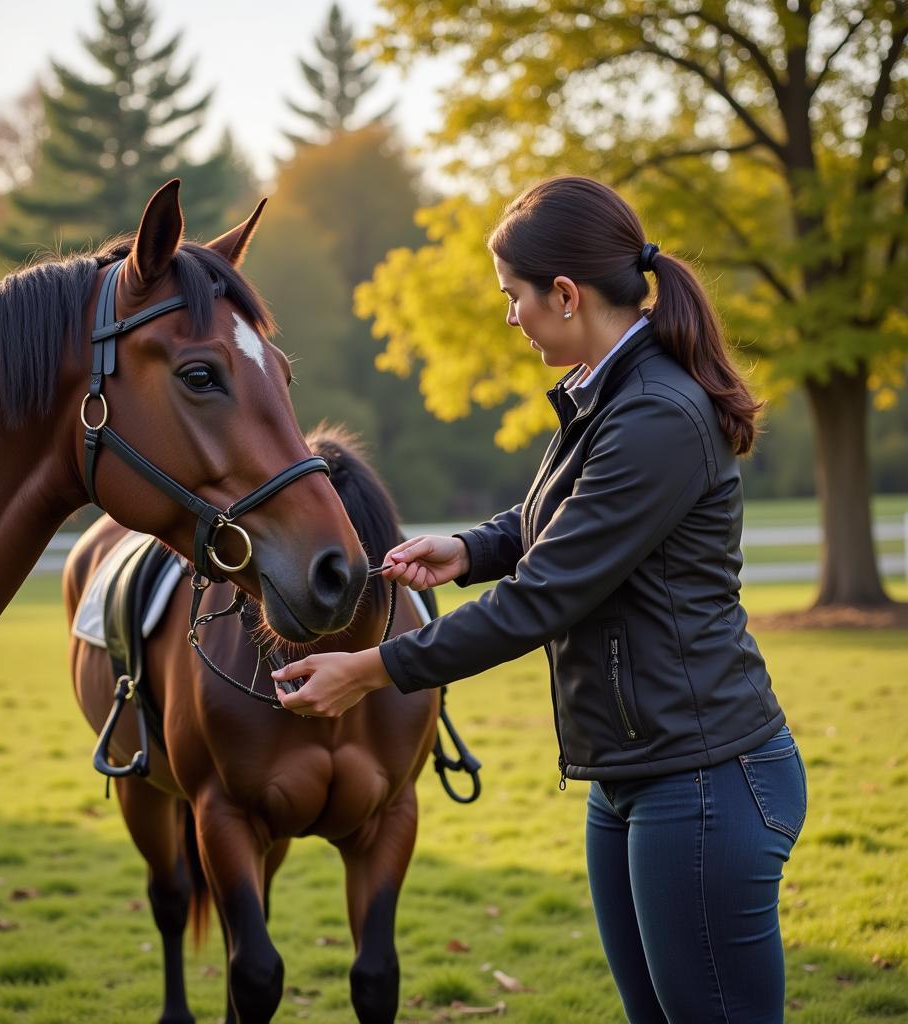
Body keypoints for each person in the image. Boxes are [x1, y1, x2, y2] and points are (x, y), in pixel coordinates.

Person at [272, 175, 807, 1023]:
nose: (510, 317)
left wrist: (371, 670)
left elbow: (543, 598)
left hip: (704, 779)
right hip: (636, 773)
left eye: (513, 298)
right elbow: (551, 522)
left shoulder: (655, 413)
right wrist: (469, 548)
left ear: (565, 293)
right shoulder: (608, 395)